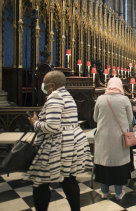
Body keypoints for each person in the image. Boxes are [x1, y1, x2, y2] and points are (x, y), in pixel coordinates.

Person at [26, 71, 93, 211]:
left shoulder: (55, 97)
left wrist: (35, 123)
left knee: (40, 180)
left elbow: (52, 126)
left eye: (44, 82)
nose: (42, 85)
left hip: (59, 144)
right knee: (68, 179)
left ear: (51, 84)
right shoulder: (66, 95)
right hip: (71, 142)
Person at [93, 77, 133, 200]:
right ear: (120, 85)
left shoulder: (100, 99)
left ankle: (104, 192)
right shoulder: (125, 99)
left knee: (104, 164)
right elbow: (130, 119)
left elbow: (95, 118)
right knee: (118, 165)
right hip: (119, 138)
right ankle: (118, 193)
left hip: (103, 138)